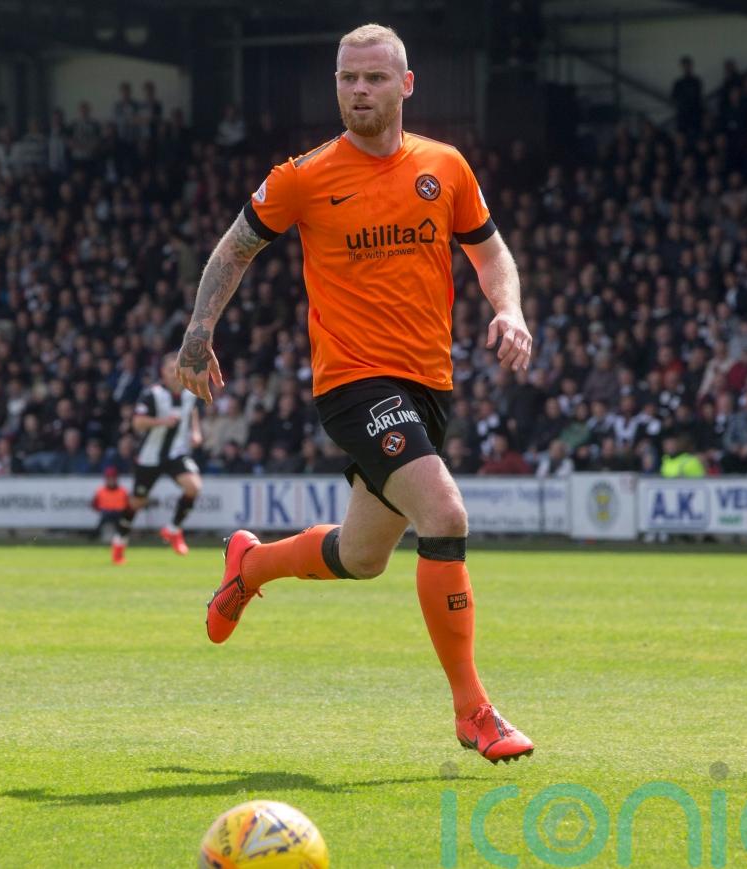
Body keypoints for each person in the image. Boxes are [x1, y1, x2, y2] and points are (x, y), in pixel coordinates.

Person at [176, 23, 535, 764]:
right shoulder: (304, 176)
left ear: (405, 85)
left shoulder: (446, 166)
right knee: (445, 511)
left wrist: (510, 310)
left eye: (373, 78)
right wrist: (197, 332)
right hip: (352, 380)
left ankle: (249, 565)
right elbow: (235, 246)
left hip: (430, 382)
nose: (359, 91)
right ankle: (475, 712)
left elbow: (489, 247)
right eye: (347, 79)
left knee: (364, 555)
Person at [111, 352, 203, 564]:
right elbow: (137, 423)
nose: (174, 374)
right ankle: (119, 542)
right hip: (150, 457)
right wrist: (162, 422)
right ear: (163, 372)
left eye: (177, 370)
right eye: (170, 370)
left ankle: (173, 530)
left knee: (194, 487)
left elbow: (192, 412)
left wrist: (196, 432)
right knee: (137, 502)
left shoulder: (190, 392)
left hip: (176, 454)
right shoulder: (153, 394)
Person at [92, 466, 129, 540]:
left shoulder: (123, 491)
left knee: (122, 523)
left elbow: (127, 505)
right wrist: (102, 510)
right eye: (109, 478)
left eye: (113, 478)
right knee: (104, 519)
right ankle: (95, 535)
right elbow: (94, 504)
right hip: (106, 513)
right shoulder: (100, 491)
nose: (111, 480)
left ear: (116, 479)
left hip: (119, 514)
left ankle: (122, 535)